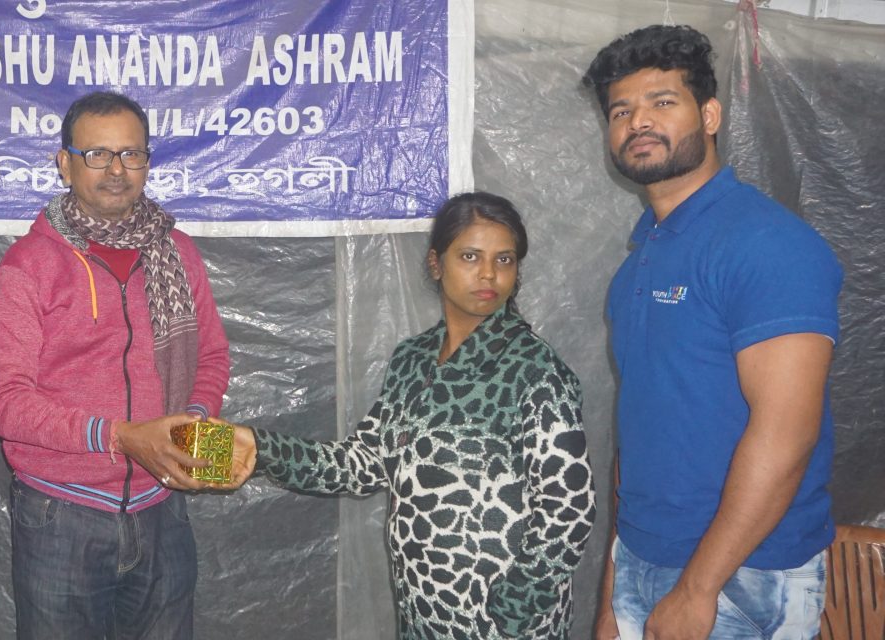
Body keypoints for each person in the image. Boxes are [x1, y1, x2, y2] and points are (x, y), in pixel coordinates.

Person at [228, 192, 595, 639]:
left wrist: (514, 609)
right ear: (436, 263)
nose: (488, 274)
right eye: (470, 256)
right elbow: (362, 465)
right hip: (424, 612)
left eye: (504, 259)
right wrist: (263, 449)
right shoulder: (414, 359)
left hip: (499, 624)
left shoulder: (534, 372)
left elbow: (568, 508)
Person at [583, 25, 843, 640]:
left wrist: (698, 588)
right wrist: (614, 590)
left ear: (710, 114)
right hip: (644, 565)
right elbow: (640, 435)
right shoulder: (637, 262)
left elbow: (787, 434)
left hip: (744, 576)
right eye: (622, 110)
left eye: (661, 102)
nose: (638, 121)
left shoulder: (767, 244)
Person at [0, 91, 231, 639]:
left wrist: (186, 428)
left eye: (131, 154)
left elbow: (210, 356)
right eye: (97, 155)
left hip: (162, 509)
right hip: (61, 519)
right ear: (64, 163)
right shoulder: (28, 266)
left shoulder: (178, 253)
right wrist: (120, 436)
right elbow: (5, 405)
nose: (116, 170)